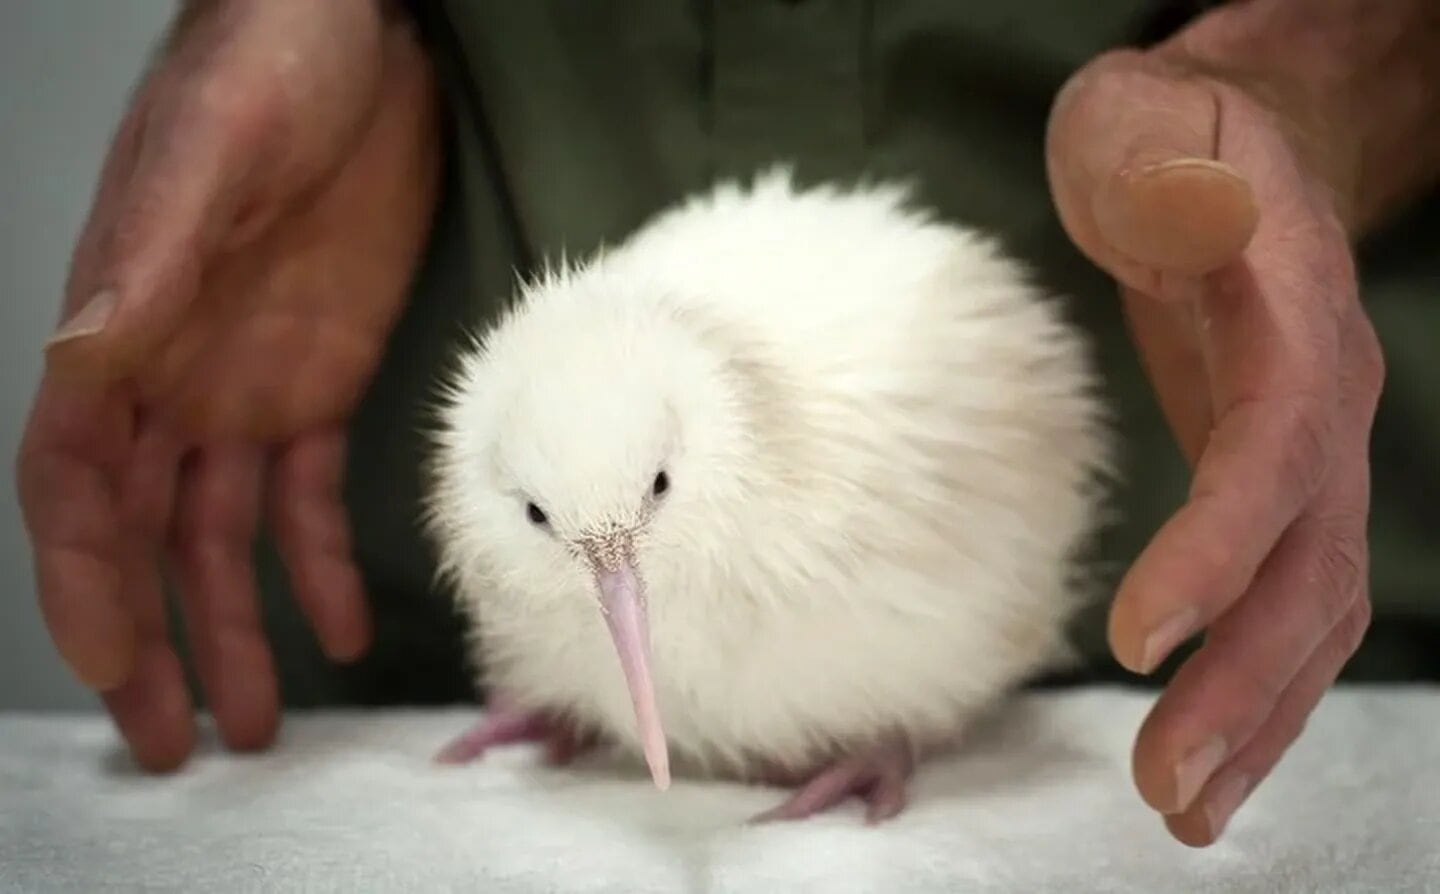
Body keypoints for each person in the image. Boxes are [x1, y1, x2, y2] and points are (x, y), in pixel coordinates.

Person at [16, 0, 1439, 849]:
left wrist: (1318, 57)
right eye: (575, 542)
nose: (611, 575)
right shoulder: (555, 467)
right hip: (355, 500)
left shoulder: (798, 454)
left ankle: (867, 731)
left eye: (641, 503)